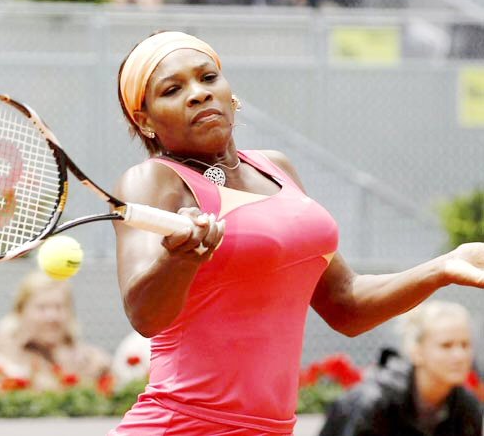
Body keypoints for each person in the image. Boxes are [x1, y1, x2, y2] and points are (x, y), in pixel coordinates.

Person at [107, 30, 484, 435]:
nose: (198, 93)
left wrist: (443, 267)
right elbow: (144, 314)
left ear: (230, 92)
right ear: (144, 120)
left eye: (208, 77)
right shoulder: (153, 180)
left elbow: (345, 304)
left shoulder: (277, 168)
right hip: (182, 425)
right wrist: (177, 259)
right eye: (172, 89)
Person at [318, 301, 482, 436]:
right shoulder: (374, 401)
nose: (460, 355)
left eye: (465, 345)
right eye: (446, 345)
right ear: (417, 352)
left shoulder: (467, 408)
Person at [0, 270, 112, 391]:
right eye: (42, 308)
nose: (52, 317)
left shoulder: (92, 361)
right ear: (20, 311)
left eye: (59, 307)